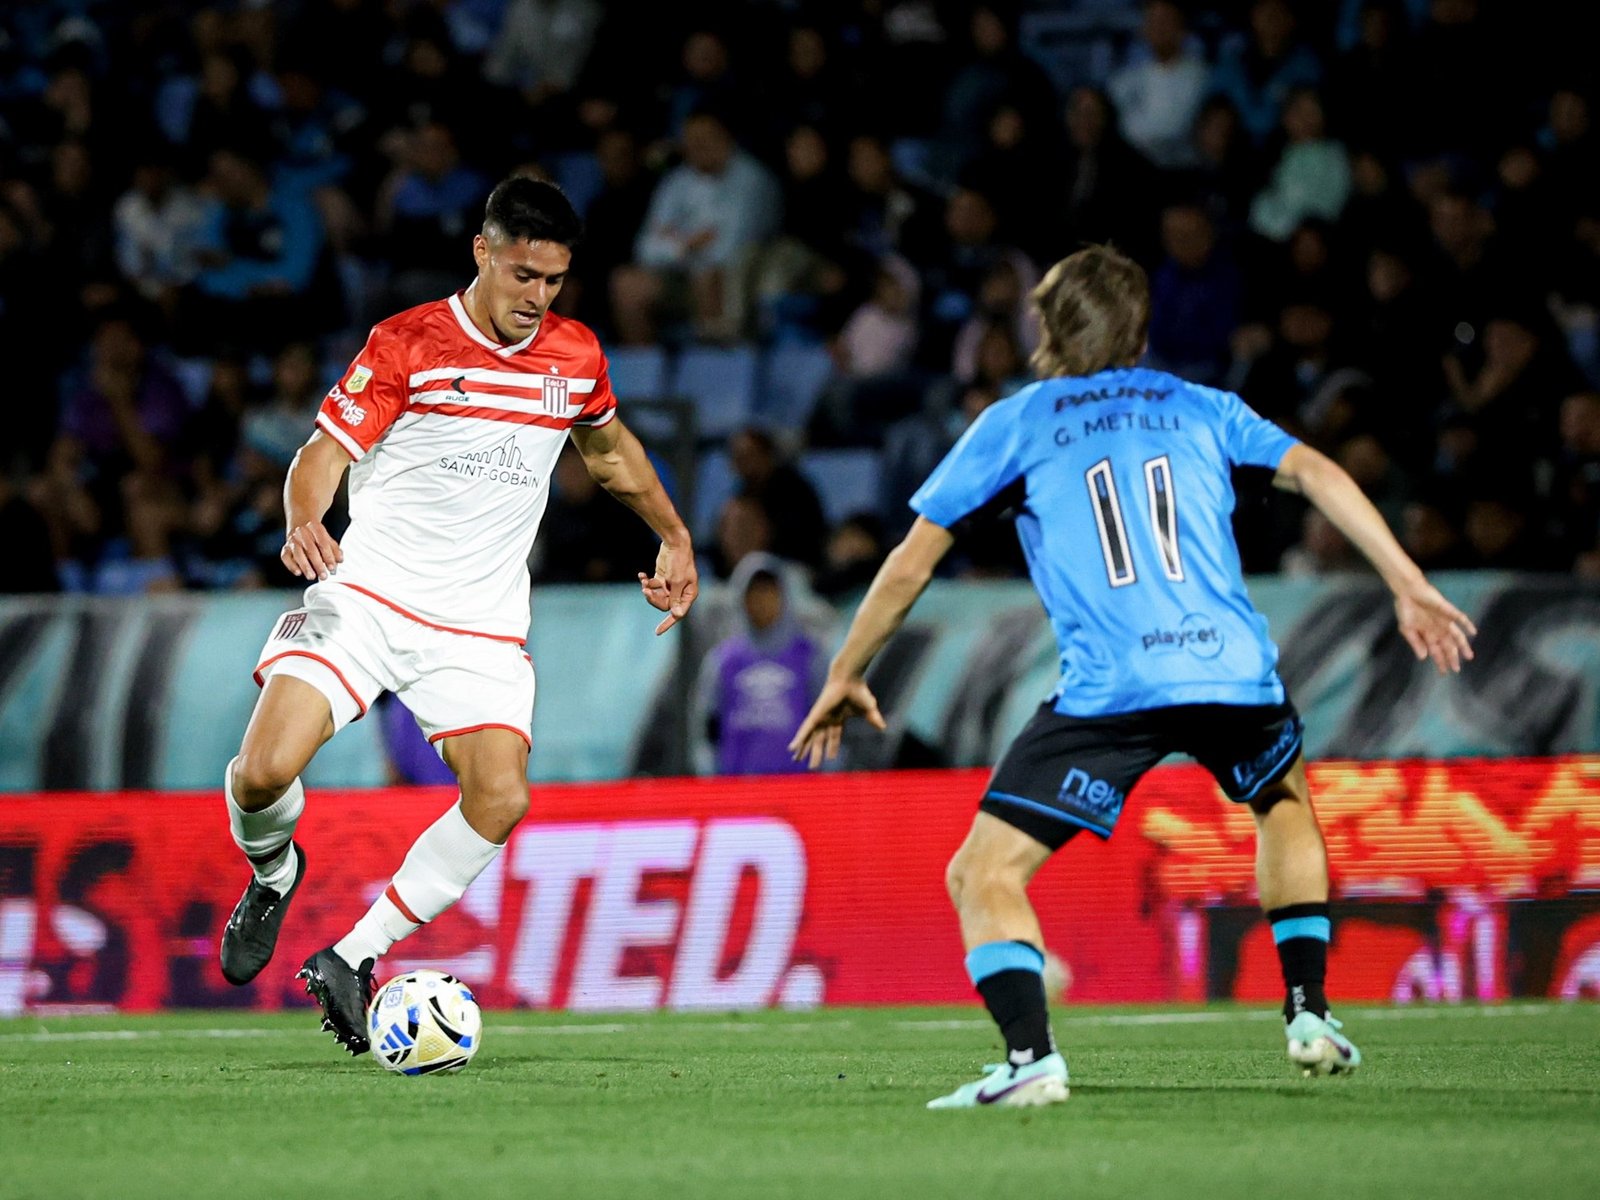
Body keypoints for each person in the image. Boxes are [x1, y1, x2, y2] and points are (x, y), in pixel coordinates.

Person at [790, 245, 1476, 1108]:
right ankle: (1310, 1014)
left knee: (983, 873)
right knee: (1284, 800)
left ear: (1047, 329)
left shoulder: (1019, 420)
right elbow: (1318, 472)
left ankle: (1031, 1060)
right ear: (1141, 331)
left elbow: (908, 565)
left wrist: (848, 671)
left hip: (1114, 687)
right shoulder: (1201, 406)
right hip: (1230, 670)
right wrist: (1408, 583)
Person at [217, 177, 698, 1055]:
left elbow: (609, 451)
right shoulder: (408, 342)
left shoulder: (575, 356)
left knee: (502, 794)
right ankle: (273, 871)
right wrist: (303, 516)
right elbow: (323, 451)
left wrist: (672, 534)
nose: (536, 298)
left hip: (477, 626)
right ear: (482, 251)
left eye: (552, 282)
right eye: (523, 275)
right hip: (366, 598)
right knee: (260, 774)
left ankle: (353, 957)